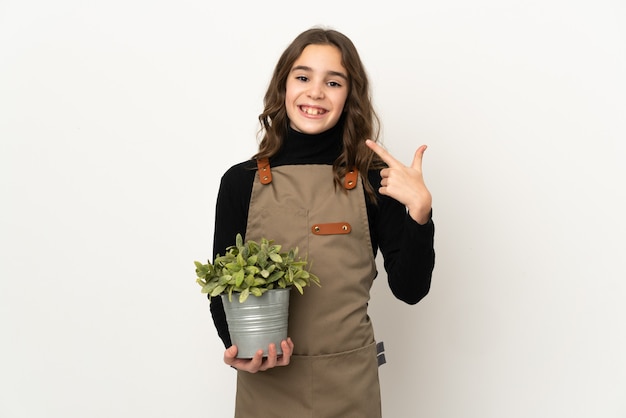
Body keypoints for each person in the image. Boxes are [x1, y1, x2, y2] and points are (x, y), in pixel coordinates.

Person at [209, 26, 435, 418]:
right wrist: (238, 347)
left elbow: (410, 290)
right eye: (303, 77)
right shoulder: (240, 182)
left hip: (351, 387)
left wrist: (420, 213)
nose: (315, 92)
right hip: (267, 386)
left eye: (333, 82)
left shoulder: (375, 178)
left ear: (350, 96)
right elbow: (221, 290)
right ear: (284, 86)